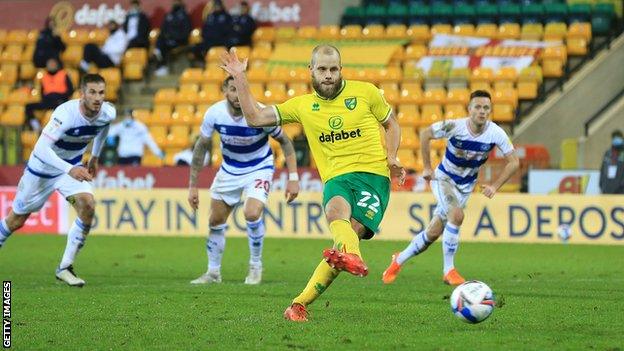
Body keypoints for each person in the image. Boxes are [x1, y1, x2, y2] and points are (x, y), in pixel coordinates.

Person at [220, 45, 405, 321]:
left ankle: (300, 303)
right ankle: (349, 258)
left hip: (373, 177)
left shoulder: (366, 92)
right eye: (322, 69)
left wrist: (391, 157)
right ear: (312, 70)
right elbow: (255, 118)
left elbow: (392, 124)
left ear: (340, 70)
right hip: (336, 177)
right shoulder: (303, 105)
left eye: (333, 69)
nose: (328, 75)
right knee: (335, 212)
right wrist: (239, 77)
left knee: (353, 230)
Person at [382, 90, 520, 286]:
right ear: (469, 109)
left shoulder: (495, 133)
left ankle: (399, 259)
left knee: (433, 232)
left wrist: (495, 186)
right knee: (457, 216)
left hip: (466, 186)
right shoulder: (455, 127)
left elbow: (514, 162)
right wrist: (428, 167)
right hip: (444, 179)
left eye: (486, 108)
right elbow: (425, 134)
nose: (482, 111)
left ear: (490, 110)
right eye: (478, 107)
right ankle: (449, 271)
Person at [0, 74, 115, 287]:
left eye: (101, 92)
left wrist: (95, 156)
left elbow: (104, 127)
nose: (97, 98)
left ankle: (65, 268)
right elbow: (41, 148)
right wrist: (70, 169)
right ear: (82, 94)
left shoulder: (107, 112)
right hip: (42, 169)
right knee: (16, 220)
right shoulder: (66, 114)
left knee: (87, 206)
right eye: (92, 92)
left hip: (70, 168)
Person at [187, 76, 300, 285]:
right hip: (229, 169)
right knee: (215, 221)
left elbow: (285, 141)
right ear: (224, 91)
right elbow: (201, 148)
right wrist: (193, 186)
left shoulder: (259, 112)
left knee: (251, 212)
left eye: (240, 89)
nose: (237, 94)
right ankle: (213, 273)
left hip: (259, 167)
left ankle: (255, 267)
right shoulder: (215, 113)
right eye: (232, 89)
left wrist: (293, 178)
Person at [25, 58, 74, 132]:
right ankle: (36, 126)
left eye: (53, 64)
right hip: (47, 101)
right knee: (28, 106)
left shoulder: (63, 74)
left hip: (60, 100)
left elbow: (70, 90)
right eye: (50, 64)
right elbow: (42, 92)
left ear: (57, 65)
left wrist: (62, 96)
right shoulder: (44, 77)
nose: (51, 65)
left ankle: (58, 129)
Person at [153, 0, 192, 76]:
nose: (174, 3)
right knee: (161, 40)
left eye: (176, 1)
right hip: (168, 40)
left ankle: (162, 65)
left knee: (163, 46)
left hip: (179, 41)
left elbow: (186, 32)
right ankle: (158, 52)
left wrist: (174, 37)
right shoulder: (168, 15)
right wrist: (167, 36)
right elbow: (163, 29)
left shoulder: (184, 15)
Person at [599, 130, 624, 194]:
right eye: (614, 138)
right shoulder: (608, 153)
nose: (616, 139)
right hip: (607, 187)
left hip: (620, 188)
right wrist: (601, 183)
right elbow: (603, 168)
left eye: (618, 137)